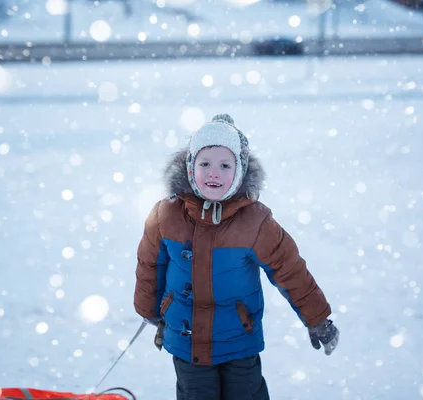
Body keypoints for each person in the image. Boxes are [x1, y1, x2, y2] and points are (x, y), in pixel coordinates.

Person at [134, 114, 339, 400]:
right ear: (191, 167)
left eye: (225, 165)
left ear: (239, 171)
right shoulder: (166, 216)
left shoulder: (255, 222)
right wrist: (149, 309)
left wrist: (318, 318)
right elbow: (150, 265)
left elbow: (289, 269)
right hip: (186, 338)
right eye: (205, 164)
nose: (213, 173)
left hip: (240, 340)